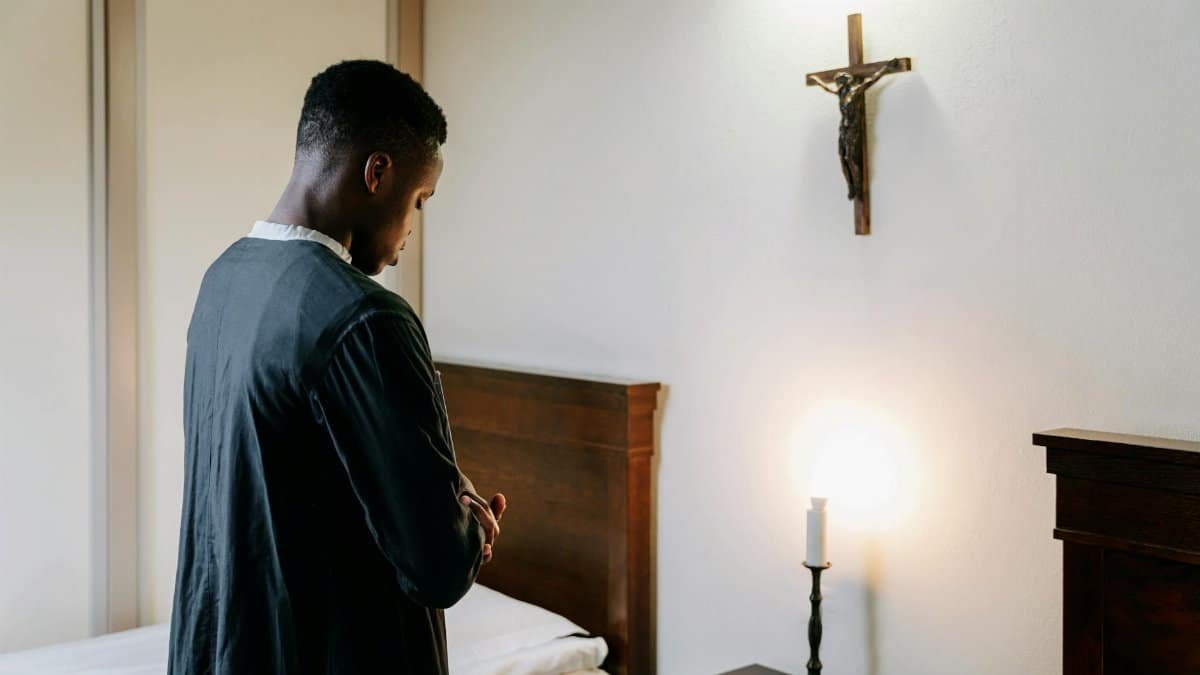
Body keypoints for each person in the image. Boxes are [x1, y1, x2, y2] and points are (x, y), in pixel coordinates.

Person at [168, 60, 505, 675]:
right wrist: (469, 525)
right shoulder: (365, 317)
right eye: (419, 200)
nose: (410, 230)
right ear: (378, 173)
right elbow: (436, 567)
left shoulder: (223, 280)